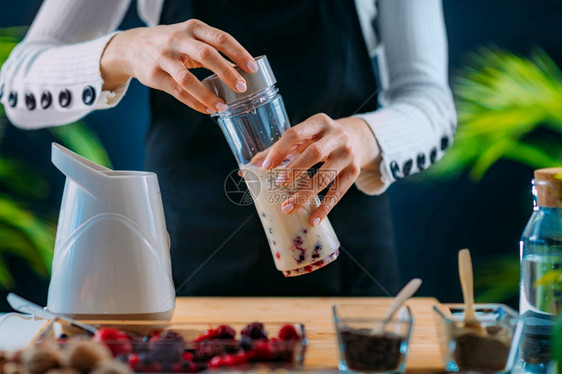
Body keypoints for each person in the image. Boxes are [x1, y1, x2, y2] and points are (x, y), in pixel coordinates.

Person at [0, 0, 455, 296]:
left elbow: (431, 102)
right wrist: (120, 50)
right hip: (190, 252)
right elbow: (17, 85)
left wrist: (365, 136)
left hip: (347, 256)